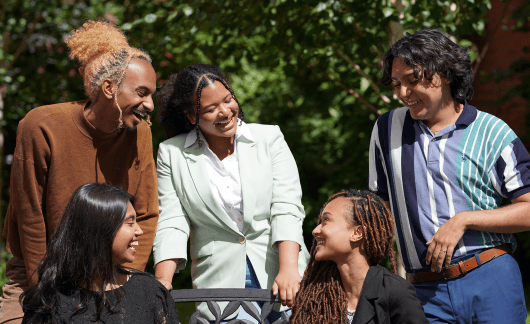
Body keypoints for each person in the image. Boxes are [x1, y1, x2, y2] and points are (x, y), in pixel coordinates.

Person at [0, 21, 159, 323]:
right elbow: (29, 217)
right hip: (41, 275)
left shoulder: (140, 134)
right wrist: (46, 295)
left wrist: (130, 281)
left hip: (111, 277)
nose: (149, 104)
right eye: (141, 92)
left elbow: (147, 212)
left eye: (152, 94)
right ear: (109, 87)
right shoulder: (42, 125)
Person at [369, 29, 530, 323]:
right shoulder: (385, 130)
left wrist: (464, 219)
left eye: (412, 80)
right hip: (423, 292)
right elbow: (378, 210)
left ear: (443, 73)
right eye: (396, 83)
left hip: (491, 278)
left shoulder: (493, 132)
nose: (403, 93)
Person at [153, 63, 310, 322]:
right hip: (218, 283)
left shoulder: (270, 138)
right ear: (191, 115)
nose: (225, 112)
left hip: (280, 274)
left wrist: (289, 268)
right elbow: (172, 221)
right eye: (211, 109)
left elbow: (286, 206)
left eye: (228, 100)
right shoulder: (171, 153)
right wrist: (162, 282)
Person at [20, 183, 179, 323]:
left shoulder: (149, 291)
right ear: (100, 232)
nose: (140, 231)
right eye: (130, 223)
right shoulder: (51, 301)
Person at [290, 189, 427, 324]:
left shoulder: (395, 292)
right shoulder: (316, 294)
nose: (315, 230)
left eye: (326, 220)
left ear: (357, 233)